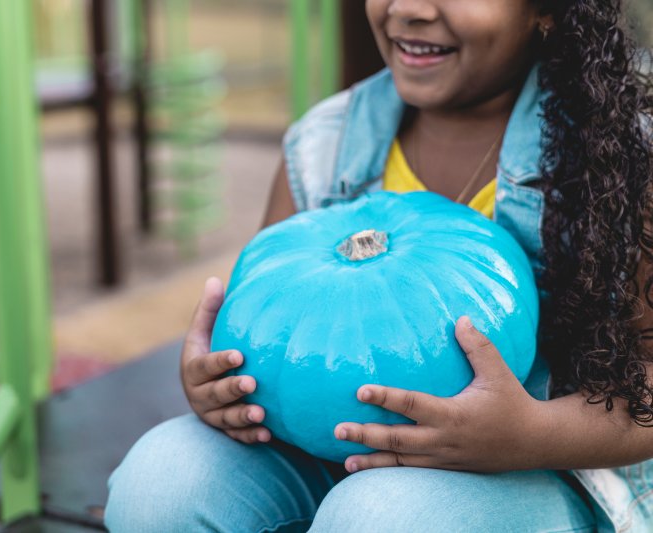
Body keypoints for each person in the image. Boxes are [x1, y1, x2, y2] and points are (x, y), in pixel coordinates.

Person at [105, 1, 653, 531]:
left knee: (378, 516)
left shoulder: (620, 152)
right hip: (322, 448)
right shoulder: (325, 144)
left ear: (547, 8)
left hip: (548, 468)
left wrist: (529, 433)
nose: (408, 7)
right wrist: (221, 384)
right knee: (161, 481)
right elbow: (270, 319)